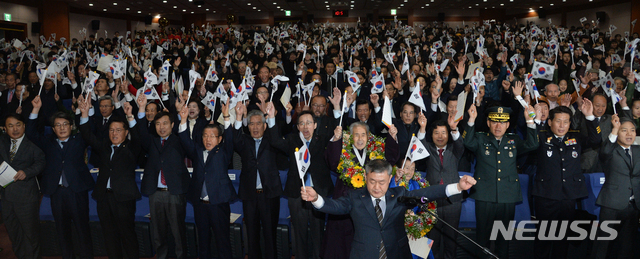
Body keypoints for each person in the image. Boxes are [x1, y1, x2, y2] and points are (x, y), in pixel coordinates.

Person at [300, 159, 476, 259]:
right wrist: (316, 199)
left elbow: (427, 193)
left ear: (390, 178)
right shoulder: (355, 197)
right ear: (366, 177)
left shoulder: (398, 195)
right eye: (372, 181)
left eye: (382, 182)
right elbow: (336, 206)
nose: (376, 187)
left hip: (397, 254)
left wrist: (458, 187)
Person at [463, 104, 539, 259]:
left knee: (503, 238)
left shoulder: (514, 140)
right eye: (494, 122)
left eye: (502, 122)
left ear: (508, 125)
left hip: (507, 196)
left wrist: (530, 121)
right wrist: (471, 119)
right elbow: (468, 143)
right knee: (482, 238)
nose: (498, 126)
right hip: (484, 195)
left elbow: (533, 144)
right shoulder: (480, 138)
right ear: (489, 123)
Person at [27, 96, 95, 259]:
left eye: (65, 124)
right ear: (53, 129)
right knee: (62, 231)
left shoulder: (79, 140)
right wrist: (35, 109)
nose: (62, 128)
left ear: (71, 126)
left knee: (82, 230)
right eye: (58, 125)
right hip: (57, 193)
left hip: (77, 191)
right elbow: (30, 133)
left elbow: (89, 130)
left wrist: (85, 113)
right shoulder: (47, 142)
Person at [532, 102, 601, 259]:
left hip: (568, 196)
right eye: (558, 121)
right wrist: (535, 120)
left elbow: (596, 140)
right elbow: (530, 142)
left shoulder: (576, 138)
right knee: (543, 237)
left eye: (566, 121)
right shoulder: (542, 137)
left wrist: (590, 117)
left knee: (562, 238)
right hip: (546, 196)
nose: (562, 125)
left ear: (570, 123)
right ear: (550, 122)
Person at [322, 120, 399, 259]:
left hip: (369, 204)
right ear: (351, 136)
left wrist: (392, 137)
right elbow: (332, 163)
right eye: (356, 135)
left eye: (363, 135)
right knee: (342, 241)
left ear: (368, 136)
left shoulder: (375, 151)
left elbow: (391, 160)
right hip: (347, 200)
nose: (359, 138)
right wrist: (336, 139)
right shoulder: (343, 150)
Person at [266, 102, 333, 259]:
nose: (305, 126)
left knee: (318, 233)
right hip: (297, 193)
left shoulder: (323, 140)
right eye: (301, 123)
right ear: (297, 127)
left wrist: (336, 111)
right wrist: (271, 119)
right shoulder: (292, 140)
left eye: (309, 123)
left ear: (315, 125)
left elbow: (336, 141)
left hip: (318, 193)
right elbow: (275, 141)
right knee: (299, 232)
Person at [78, 97, 142, 259]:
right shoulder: (104, 148)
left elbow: (138, 138)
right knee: (109, 235)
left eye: (118, 130)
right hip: (103, 198)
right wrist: (84, 113)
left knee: (127, 234)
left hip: (124, 198)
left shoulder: (131, 149)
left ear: (125, 132)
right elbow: (87, 136)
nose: (114, 133)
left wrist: (130, 117)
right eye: (111, 130)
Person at [178, 100, 235, 259]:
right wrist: (183, 120)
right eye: (205, 135)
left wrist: (226, 116)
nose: (208, 139)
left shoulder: (224, 152)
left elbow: (230, 138)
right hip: (200, 205)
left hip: (218, 204)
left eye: (212, 136)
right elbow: (184, 140)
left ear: (219, 139)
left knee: (223, 241)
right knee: (202, 242)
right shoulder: (196, 151)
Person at [135, 94, 189, 259]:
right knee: (158, 234)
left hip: (174, 192)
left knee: (178, 233)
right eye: (158, 124)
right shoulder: (152, 142)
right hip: (155, 193)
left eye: (165, 123)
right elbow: (141, 132)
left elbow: (187, 139)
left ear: (172, 125)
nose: (161, 127)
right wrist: (142, 109)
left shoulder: (179, 140)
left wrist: (182, 117)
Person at [232, 103, 283, 259]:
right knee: (252, 235)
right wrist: (239, 117)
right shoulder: (244, 142)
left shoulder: (272, 141)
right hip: (250, 195)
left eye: (258, 123)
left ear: (265, 126)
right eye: (252, 123)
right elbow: (235, 139)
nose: (255, 127)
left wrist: (273, 116)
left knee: (270, 233)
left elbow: (278, 135)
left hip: (269, 195)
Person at [591, 115, 640, 259]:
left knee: (627, 245)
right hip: (612, 204)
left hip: (633, 205)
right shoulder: (610, 150)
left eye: (632, 130)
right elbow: (605, 151)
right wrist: (614, 130)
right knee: (603, 243)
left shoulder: (638, 151)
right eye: (624, 130)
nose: (629, 134)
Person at [418, 115, 465, 259]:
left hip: (453, 203)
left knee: (451, 241)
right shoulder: (428, 150)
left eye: (443, 132)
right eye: (436, 133)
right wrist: (423, 128)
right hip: (432, 203)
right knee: (432, 241)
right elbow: (420, 144)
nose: (440, 136)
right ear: (431, 135)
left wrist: (453, 128)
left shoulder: (454, 150)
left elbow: (459, 143)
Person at [0, 113, 46, 259]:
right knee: (14, 233)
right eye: (10, 126)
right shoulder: (2, 143)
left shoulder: (33, 144)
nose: (14, 129)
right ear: (5, 128)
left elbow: (41, 163)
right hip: (6, 198)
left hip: (26, 197)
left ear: (24, 126)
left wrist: (27, 172)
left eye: (18, 125)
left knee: (31, 234)